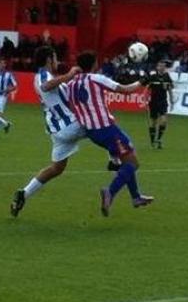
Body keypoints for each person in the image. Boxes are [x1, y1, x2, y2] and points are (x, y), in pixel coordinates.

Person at [10, 47, 121, 217]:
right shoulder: (43, 75)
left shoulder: (47, 76)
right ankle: (114, 159)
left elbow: (60, 92)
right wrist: (69, 75)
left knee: (57, 168)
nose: (57, 61)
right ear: (48, 59)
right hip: (69, 125)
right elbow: (46, 86)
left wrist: (72, 80)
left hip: (58, 131)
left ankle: (23, 194)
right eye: (55, 57)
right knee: (105, 120)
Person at [66, 52, 154, 217]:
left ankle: (136, 197)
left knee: (124, 161)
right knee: (133, 163)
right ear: (94, 64)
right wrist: (142, 81)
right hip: (106, 128)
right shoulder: (96, 78)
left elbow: (72, 107)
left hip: (91, 132)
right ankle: (110, 192)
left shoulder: (71, 84)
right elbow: (125, 90)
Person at [146, 60, 175, 149]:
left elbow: (170, 89)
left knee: (164, 121)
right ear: (157, 67)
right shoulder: (153, 77)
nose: (162, 68)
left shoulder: (167, 77)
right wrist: (145, 99)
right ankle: (152, 141)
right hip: (153, 102)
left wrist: (171, 100)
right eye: (160, 66)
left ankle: (158, 139)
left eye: (163, 66)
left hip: (163, 102)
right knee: (153, 122)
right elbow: (147, 89)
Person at [0, 59, 17, 140]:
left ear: (5, 65)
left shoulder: (8, 75)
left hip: (2, 97)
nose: (2, 65)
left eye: (3, 63)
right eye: (0, 63)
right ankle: (6, 124)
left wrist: (7, 90)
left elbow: (14, 86)